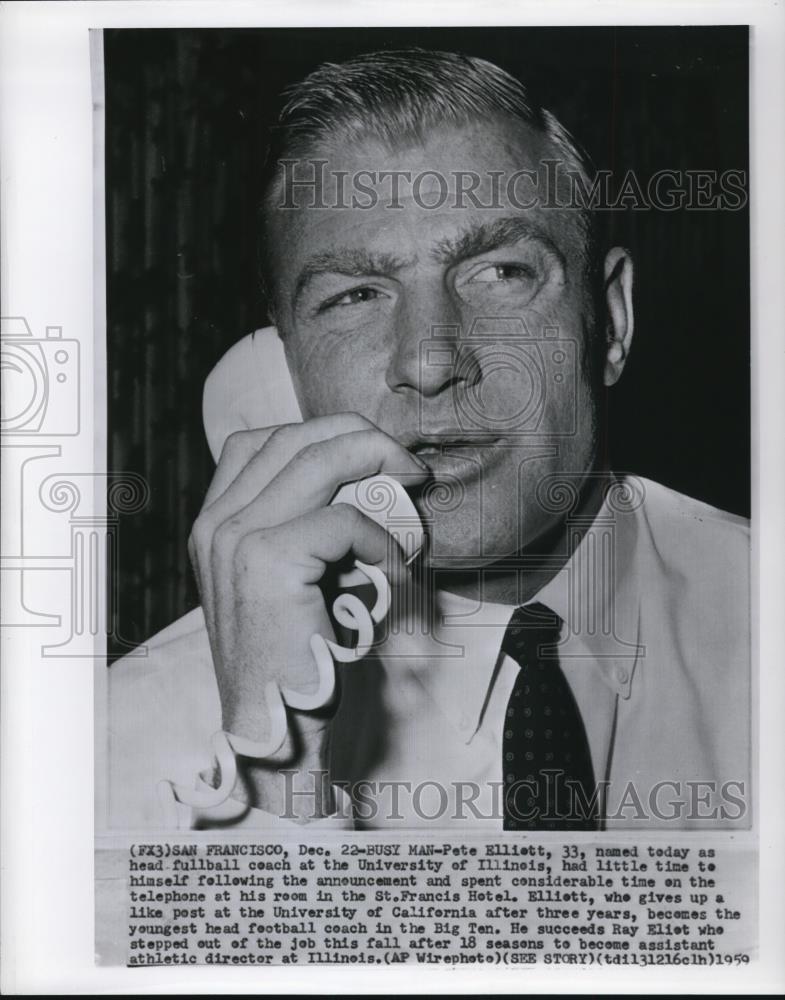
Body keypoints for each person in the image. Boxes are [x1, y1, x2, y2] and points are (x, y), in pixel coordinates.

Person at [106, 49, 749, 831]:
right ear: (283, 372)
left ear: (609, 323)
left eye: (499, 273)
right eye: (355, 296)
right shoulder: (128, 733)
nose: (431, 360)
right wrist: (278, 779)